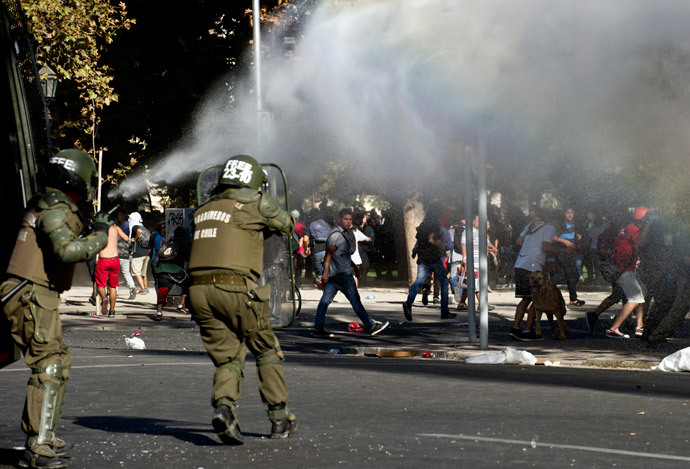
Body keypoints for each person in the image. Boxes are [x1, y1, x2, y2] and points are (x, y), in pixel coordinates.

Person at [1, 149, 111, 468]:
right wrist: (100, 236)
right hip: (30, 291)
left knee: (57, 360)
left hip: (35, 291)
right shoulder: (55, 206)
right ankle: (38, 446)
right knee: (48, 362)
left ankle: (44, 435)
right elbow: (66, 250)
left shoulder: (47, 202)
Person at [187, 154, 297, 445]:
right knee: (265, 348)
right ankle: (280, 418)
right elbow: (286, 224)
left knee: (227, 357)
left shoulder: (204, 207)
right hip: (234, 288)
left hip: (198, 292)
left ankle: (224, 407)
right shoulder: (254, 203)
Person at [313, 208, 390, 336]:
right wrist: (325, 274)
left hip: (338, 274)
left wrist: (354, 268)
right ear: (339, 220)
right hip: (341, 275)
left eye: (350, 219)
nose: (348, 222)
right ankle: (371, 325)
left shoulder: (344, 233)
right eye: (345, 219)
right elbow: (328, 255)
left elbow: (344, 255)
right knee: (355, 300)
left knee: (324, 301)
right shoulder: (336, 235)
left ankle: (318, 328)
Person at [510, 205, 568, 341]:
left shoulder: (530, 225)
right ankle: (527, 330)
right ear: (556, 221)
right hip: (533, 266)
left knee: (525, 299)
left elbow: (519, 242)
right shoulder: (549, 227)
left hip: (520, 263)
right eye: (560, 224)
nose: (558, 228)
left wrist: (530, 244)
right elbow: (545, 246)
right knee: (536, 300)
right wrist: (564, 250)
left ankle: (515, 327)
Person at [402, 205, 456, 321]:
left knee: (419, 281)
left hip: (422, 258)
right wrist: (441, 246)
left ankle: (408, 303)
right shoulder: (435, 226)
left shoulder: (422, 226)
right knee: (444, 281)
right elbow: (431, 239)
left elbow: (418, 241)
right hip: (433, 258)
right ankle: (444, 311)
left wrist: (415, 251)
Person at [605, 206, 651, 338]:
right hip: (624, 269)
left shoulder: (628, 227)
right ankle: (613, 328)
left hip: (622, 267)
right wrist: (647, 227)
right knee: (635, 298)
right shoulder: (634, 230)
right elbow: (641, 243)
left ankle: (639, 326)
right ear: (644, 218)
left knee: (642, 291)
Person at [458, 215, 495, 311]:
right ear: (473, 222)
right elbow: (463, 244)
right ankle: (482, 305)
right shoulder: (468, 231)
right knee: (477, 283)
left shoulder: (481, 232)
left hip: (481, 261)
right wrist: (465, 257)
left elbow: (487, 243)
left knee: (470, 283)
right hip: (473, 261)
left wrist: (493, 248)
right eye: (479, 221)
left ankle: (461, 303)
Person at [154, 226, 191, 320]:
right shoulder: (183, 243)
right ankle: (181, 305)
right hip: (175, 270)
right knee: (188, 284)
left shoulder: (168, 242)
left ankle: (159, 312)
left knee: (162, 291)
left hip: (162, 270)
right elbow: (187, 256)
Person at [551, 207, 585, 306]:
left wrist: (579, 236)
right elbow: (552, 237)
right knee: (565, 274)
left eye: (572, 212)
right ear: (563, 214)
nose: (570, 215)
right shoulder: (559, 224)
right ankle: (547, 290)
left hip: (571, 250)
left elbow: (576, 233)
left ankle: (573, 299)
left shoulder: (574, 224)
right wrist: (564, 241)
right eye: (567, 213)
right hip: (562, 250)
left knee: (571, 275)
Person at [94, 222, 129, 317]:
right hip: (114, 259)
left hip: (103, 260)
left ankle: (104, 298)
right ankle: (112, 311)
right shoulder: (115, 228)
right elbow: (126, 238)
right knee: (113, 286)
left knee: (100, 284)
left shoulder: (98, 229)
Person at [116, 209, 137, 299]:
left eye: (121, 214)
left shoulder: (124, 226)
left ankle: (114, 291)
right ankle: (132, 288)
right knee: (126, 273)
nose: (119, 216)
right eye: (118, 215)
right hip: (125, 254)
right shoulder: (122, 226)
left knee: (114, 273)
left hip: (118, 254)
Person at [128, 212, 150, 294]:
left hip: (138, 253)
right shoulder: (145, 228)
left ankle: (142, 289)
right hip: (146, 253)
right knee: (143, 273)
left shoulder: (135, 227)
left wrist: (135, 238)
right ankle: (146, 288)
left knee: (136, 271)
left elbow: (139, 231)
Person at [309, 207, 333, 280]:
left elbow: (313, 236)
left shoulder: (312, 224)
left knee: (319, 275)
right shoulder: (326, 224)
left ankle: (320, 285)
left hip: (317, 251)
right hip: (327, 251)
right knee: (328, 272)